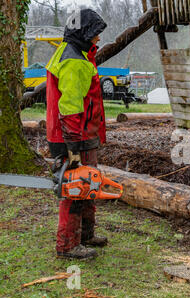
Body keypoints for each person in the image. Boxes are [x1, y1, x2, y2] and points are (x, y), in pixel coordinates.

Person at [46, 8, 108, 259]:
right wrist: (72, 149)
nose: (98, 39)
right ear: (83, 32)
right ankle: (68, 245)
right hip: (75, 135)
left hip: (83, 131)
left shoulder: (73, 52)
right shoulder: (74, 61)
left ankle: (85, 234)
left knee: (88, 182)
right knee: (75, 187)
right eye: (95, 34)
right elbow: (70, 107)